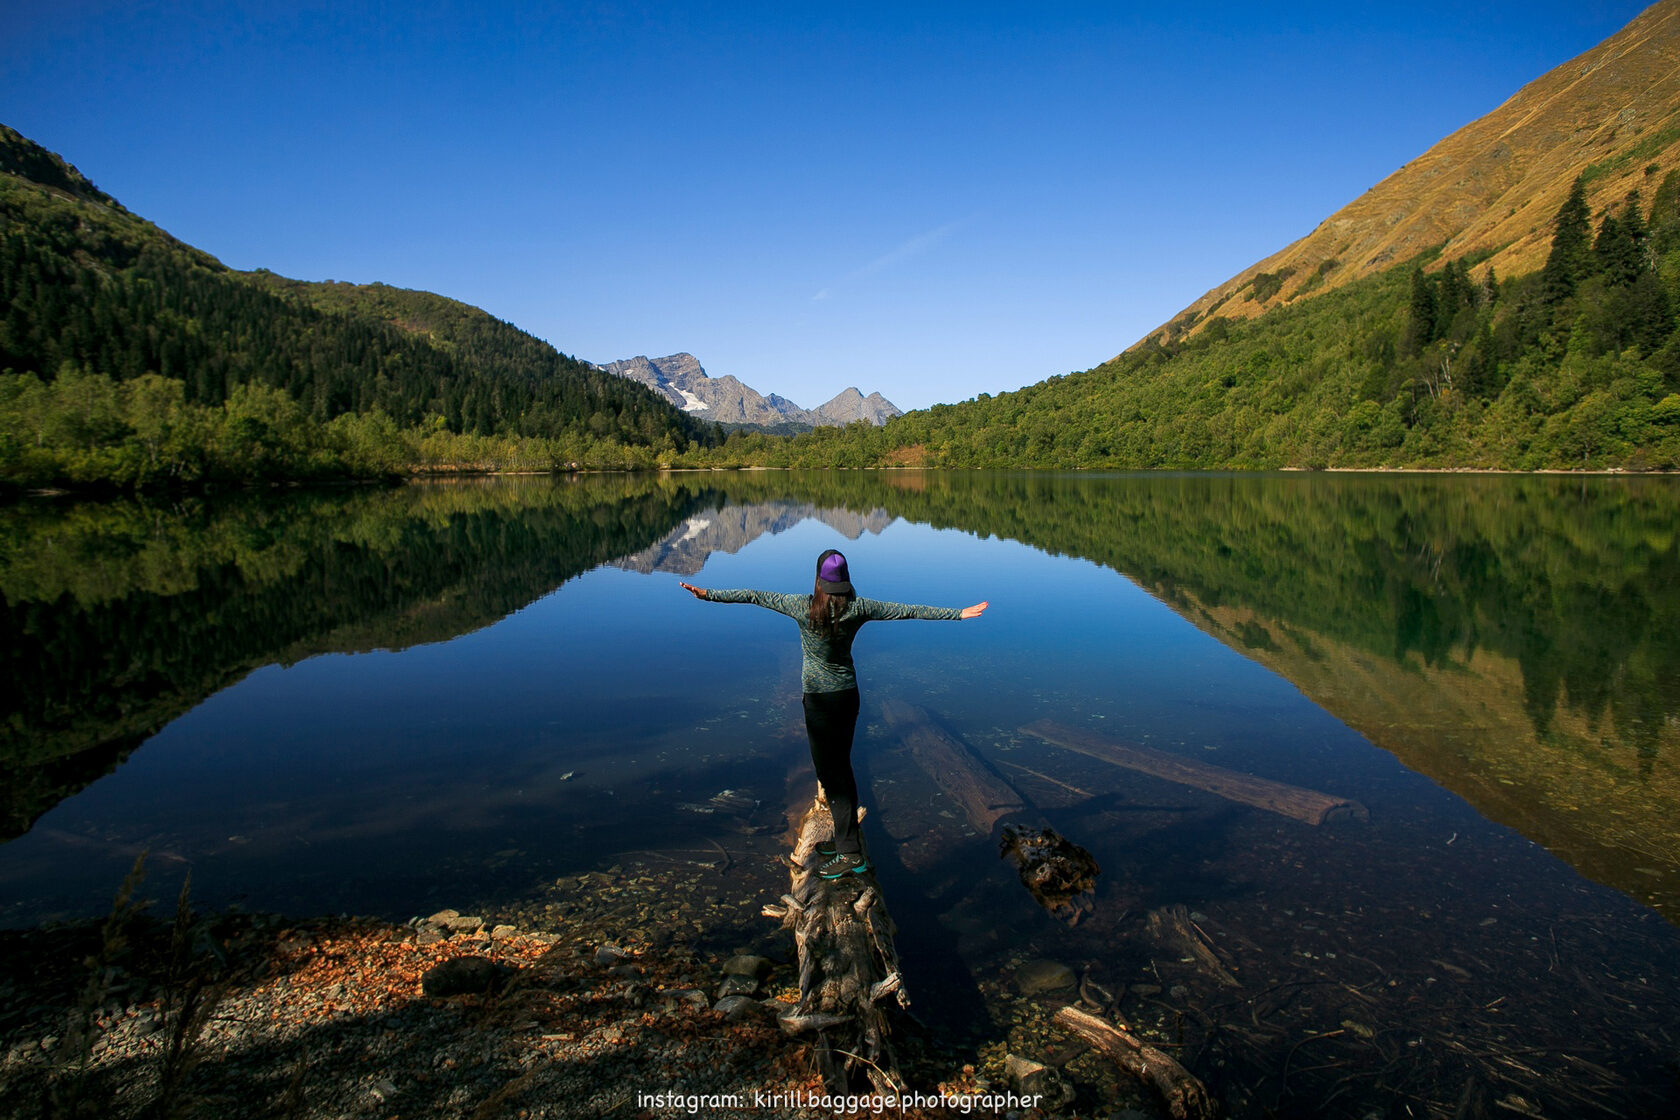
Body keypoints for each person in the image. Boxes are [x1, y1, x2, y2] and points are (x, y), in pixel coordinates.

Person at [680, 549, 988, 879]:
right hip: (847, 698)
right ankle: (844, 840)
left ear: (818, 580)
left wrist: (709, 595)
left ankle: (851, 855)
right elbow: (907, 610)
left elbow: (755, 595)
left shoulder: (801, 607)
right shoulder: (858, 608)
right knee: (840, 770)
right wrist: (957, 614)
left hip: (819, 703)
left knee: (833, 776)